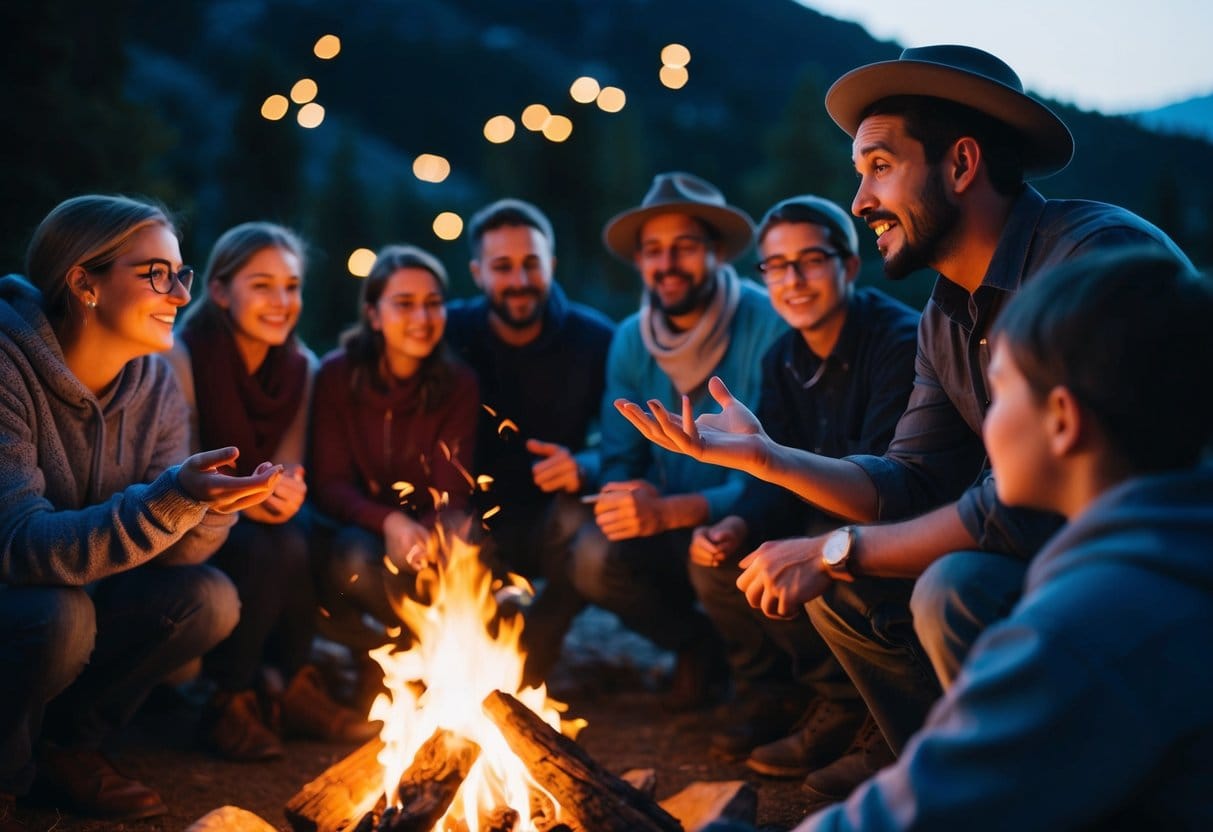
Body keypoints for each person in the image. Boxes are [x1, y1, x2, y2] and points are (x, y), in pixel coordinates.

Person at [617, 44, 1192, 800]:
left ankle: (1031, 794)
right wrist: (766, 458)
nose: (858, 200)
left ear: (959, 165)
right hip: (1050, 559)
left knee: (946, 586)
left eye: (879, 166)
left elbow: (1022, 505)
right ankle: (940, 774)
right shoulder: (943, 316)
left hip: (1157, 579)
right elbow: (911, 479)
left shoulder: (1087, 259)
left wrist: (832, 548)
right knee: (849, 594)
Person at [781, 249, 1213, 830]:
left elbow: (907, 816)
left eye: (1001, 391)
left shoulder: (1082, 628)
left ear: (1062, 420)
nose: (986, 423)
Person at [0, 195, 282, 823]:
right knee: (60, 615)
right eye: (156, 273)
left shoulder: (154, 381)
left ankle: (69, 747)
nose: (180, 295)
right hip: (22, 599)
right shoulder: (7, 367)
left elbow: (179, 550)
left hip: (91, 596)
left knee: (209, 597)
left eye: (182, 274)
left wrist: (212, 506)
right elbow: (18, 544)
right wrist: (171, 497)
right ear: (84, 283)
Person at [690, 196, 919, 781]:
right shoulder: (783, 358)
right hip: (820, 520)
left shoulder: (896, 342)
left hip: (895, 527)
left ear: (847, 266)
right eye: (775, 265)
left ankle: (881, 717)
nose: (791, 280)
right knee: (721, 561)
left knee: (812, 550)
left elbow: (891, 484)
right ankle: (824, 700)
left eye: (809, 260)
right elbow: (771, 476)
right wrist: (735, 525)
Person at [575, 172, 784, 710]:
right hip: (666, 521)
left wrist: (676, 510)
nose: (667, 265)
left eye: (685, 247)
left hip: (755, 519)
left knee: (713, 550)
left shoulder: (768, 325)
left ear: (716, 252)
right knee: (592, 554)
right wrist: (626, 493)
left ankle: (766, 689)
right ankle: (697, 648)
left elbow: (780, 473)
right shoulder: (629, 340)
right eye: (653, 251)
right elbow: (622, 458)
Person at [168, 222, 374, 762]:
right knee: (266, 545)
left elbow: (287, 462)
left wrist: (284, 490)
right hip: (187, 516)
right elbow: (174, 466)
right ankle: (228, 700)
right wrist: (245, 499)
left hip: (255, 513)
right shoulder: (183, 356)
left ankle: (291, 685)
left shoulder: (300, 366)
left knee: (300, 532)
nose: (282, 302)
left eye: (292, 286)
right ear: (219, 291)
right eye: (262, 285)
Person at [445, 198, 615, 686]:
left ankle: (538, 647)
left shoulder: (595, 339)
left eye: (531, 264)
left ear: (552, 265)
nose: (519, 280)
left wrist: (584, 463)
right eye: (503, 267)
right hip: (470, 517)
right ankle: (463, 661)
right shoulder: (450, 333)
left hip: (555, 519)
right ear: (478, 272)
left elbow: (627, 442)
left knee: (591, 523)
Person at [310, 244, 479, 666]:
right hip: (355, 526)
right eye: (404, 304)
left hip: (426, 527)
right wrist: (388, 521)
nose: (422, 319)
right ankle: (391, 663)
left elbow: (452, 491)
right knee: (353, 559)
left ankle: (435, 667)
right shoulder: (337, 375)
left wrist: (427, 532)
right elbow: (329, 484)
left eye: (433, 304)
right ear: (373, 314)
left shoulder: (458, 383)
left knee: (460, 548)